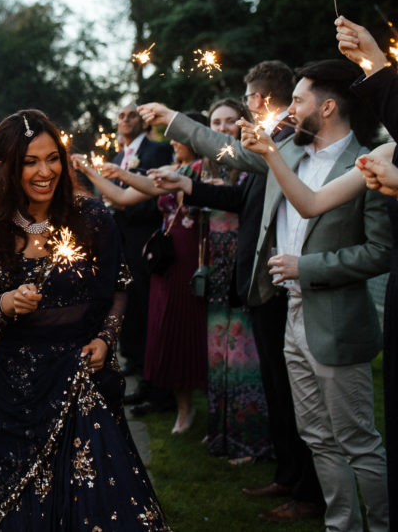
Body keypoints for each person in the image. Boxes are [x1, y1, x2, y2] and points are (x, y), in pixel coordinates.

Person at [152, 60, 391, 531]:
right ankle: (340, 524)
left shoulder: (369, 165)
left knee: (357, 439)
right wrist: (173, 119)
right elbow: (227, 150)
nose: (289, 108)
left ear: (325, 107)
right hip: (291, 313)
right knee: (317, 435)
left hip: (337, 318)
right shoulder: (291, 152)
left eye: (299, 100)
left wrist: (309, 267)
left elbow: (380, 252)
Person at [0, 110, 168, 531]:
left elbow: (120, 286)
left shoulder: (92, 216)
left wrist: (107, 340)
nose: (45, 171)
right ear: (7, 166)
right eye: (30, 161)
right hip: (14, 386)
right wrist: (8, 304)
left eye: (52, 158)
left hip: (80, 375)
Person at [141, 61, 322, 521]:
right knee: (278, 388)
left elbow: (228, 152)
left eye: (247, 95)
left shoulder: (286, 136)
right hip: (262, 281)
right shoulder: (277, 136)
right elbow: (242, 197)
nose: (244, 105)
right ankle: (287, 474)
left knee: (289, 390)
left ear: (259, 100)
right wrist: (189, 184)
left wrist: (174, 119)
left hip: (280, 279)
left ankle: (307, 488)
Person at [76, 115, 207, 433]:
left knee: (186, 328)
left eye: (177, 137)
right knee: (161, 325)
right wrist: (89, 172)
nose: (171, 142)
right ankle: (174, 400)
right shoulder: (173, 171)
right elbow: (121, 197)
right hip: (163, 258)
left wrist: (120, 172)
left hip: (190, 254)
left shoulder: (206, 172)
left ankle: (190, 402)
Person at [196, 98, 270, 460]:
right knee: (218, 353)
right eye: (216, 122)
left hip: (243, 265)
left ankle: (251, 439)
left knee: (244, 354)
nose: (223, 127)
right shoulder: (203, 167)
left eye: (230, 121)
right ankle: (220, 433)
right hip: (215, 268)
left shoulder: (250, 167)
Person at [110, 105, 172, 395]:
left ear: (142, 122)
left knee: (147, 301)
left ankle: (152, 367)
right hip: (119, 238)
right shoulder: (115, 158)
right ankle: (133, 357)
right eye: (121, 116)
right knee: (127, 300)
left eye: (131, 115)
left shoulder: (156, 151)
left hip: (144, 236)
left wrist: (124, 204)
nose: (125, 120)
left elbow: (155, 195)